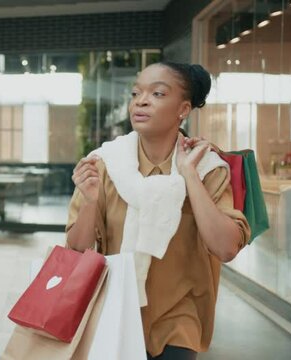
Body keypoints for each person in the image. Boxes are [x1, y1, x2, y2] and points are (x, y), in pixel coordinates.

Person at [66, 62, 250, 360]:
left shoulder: (207, 169)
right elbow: (76, 249)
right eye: (136, 92)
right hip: (114, 313)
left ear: (184, 109)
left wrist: (189, 176)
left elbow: (226, 247)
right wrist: (90, 202)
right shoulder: (104, 164)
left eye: (158, 93)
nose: (141, 100)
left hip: (180, 318)